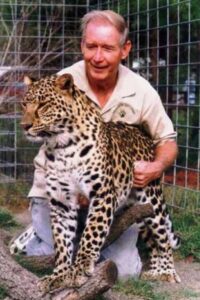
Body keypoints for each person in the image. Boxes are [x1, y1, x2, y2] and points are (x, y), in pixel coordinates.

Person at [10, 10, 178, 279]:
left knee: (120, 273)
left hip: (111, 194)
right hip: (57, 187)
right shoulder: (61, 82)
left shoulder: (141, 89)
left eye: (108, 48)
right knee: (44, 261)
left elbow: (167, 141)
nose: (98, 57)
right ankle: (40, 234)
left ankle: (157, 251)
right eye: (92, 46)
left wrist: (156, 166)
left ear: (125, 50)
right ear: (82, 46)